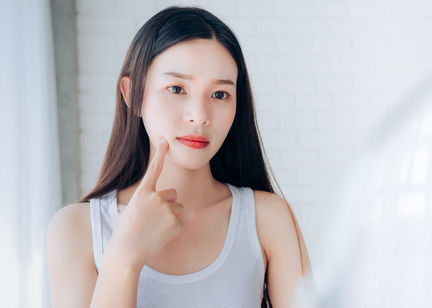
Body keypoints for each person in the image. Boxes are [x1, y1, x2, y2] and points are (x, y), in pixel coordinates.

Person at [46, 6, 312, 308]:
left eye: (220, 94)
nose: (199, 116)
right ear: (132, 94)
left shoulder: (268, 219)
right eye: (176, 88)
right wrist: (124, 260)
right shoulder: (75, 230)